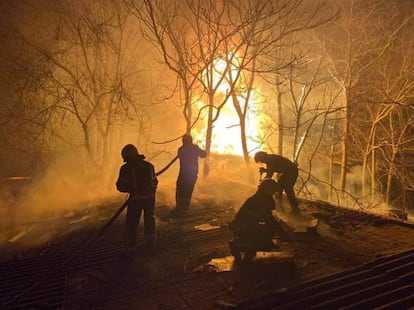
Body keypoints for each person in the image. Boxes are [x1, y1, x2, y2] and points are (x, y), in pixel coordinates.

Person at [229, 178, 289, 261]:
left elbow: (269, 217)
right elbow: (270, 220)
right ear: (267, 190)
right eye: (272, 191)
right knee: (265, 243)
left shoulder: (261, 197)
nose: (273, 193)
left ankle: (249, 246)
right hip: (243, 228)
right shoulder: (259, 201)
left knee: (268, 235)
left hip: (248, 225)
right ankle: (238, 245)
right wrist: (283, 233)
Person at [116, 144, 158, 256]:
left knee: (132, 224)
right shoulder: (149, 166)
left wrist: (131, 189)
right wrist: (151, 192)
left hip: (135, 200)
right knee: (149, 220)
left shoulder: (126, 168)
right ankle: (150, 242)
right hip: (149, 199)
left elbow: (121, 186)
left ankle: (131, 248)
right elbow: (155, 182)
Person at [173, 134, 207, 214]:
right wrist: (197, 147)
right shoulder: (193, 148)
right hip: (191, 173)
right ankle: (183, 208)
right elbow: (204, 154)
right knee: (187, 189)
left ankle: (180, 207)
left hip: (184, 172)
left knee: (181, 188)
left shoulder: (181, 149)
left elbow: (203, 155)